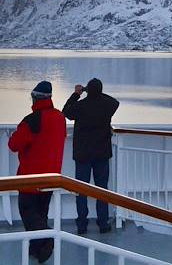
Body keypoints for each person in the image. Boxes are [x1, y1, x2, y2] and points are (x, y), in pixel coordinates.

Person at [8, 81, 67, 263]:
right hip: (52, 178)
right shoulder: (59, 118)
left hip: (30, 179)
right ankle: (37, 250)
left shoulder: (31, 121)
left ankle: (47, 239)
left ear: (34, 98)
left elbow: (14, 145)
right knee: (41, 213)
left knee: (28, 213)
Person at [63, 78, 120, 234]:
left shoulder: (81, 106)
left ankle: (82, 224)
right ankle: (103, 223)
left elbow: (66, 111)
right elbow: (115, 102)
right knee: (102, 189)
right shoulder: (107, 105)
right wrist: (95, 92)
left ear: (88, 90)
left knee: (81, 190)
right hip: (102, 153)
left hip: (83, 154)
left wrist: (76, 94)